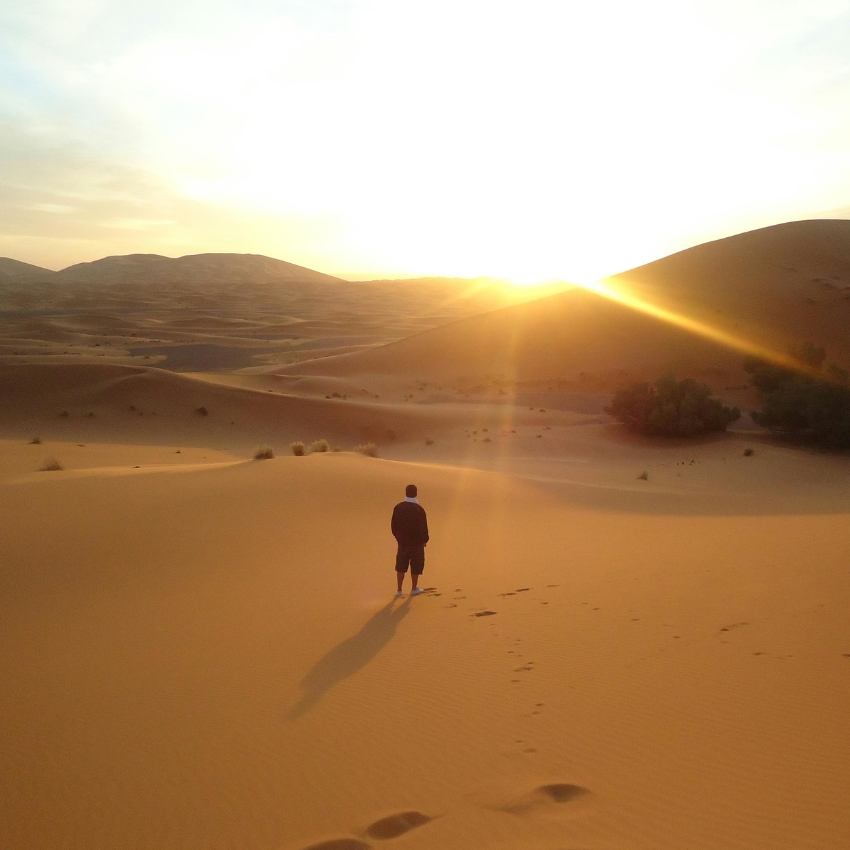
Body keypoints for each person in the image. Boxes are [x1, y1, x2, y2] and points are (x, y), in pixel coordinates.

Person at [391, 484, 429, 597]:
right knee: (416, 566)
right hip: (417, 544)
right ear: (416, 493)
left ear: (406, 493)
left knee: (401, 566)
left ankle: (399, 590)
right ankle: (414, 588)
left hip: (402, 543)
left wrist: (398, 537)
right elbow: (424, 527)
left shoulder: (398, 507)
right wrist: (424, 540)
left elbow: (393, 526)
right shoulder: (419, 509)